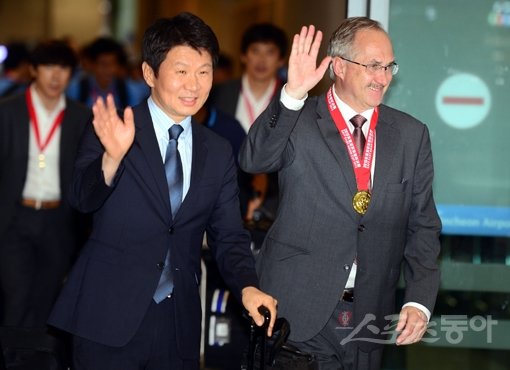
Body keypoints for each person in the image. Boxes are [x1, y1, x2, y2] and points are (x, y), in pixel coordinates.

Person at [48, 12, 277, 370]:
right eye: (181, 71)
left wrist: (247, 286)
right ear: (149, 73)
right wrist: (112, 158)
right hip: (106, 316)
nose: (194, 84)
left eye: (204, 72)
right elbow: (81, 198)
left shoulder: (216, 151)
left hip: (178, 324)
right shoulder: (116, 127)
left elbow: (229, 235)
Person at [239, 17, 441, 369]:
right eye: (373, 66)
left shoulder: (411, 135)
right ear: (339, 66)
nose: (383, 77)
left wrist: (418, 300)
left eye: (389, 66)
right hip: (297, 312)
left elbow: (423, 225)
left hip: (368, 318)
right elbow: (254, 158)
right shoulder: (299, 119)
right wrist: (292, 95)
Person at [0, 39, 90, 363]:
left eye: (64, 69)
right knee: (17, 295)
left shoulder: (81, 117)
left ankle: (41, 362)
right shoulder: (8, 111)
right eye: (49, 67)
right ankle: (13, 361)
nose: (56, 76)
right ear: (34, 70)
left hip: (58, 221)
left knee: (48, 299)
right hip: (14, 219)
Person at [210, 22, 288, 223]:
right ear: (244, 56)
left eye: (270, 52)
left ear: (281, 60)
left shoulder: (291, 101)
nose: (262, 60)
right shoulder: (218, 93)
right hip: (221, 195)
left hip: (274, 202)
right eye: (255, 51)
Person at [66, 37, 149, 110]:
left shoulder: (128, 90)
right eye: (103, 64)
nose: (108, 69)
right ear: (92, 65)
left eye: (113, 64)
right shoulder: (77, 89)